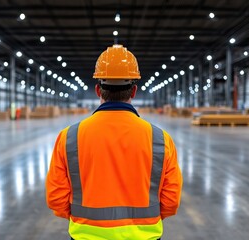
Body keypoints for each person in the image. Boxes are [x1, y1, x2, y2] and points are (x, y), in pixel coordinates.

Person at [46, 45, 183, 240]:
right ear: (134, 91)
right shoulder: (160, 139)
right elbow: (171, 200)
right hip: (144, 236)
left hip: (86, 236)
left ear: (97, 90)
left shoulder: (69, 137)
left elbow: (56, 198)